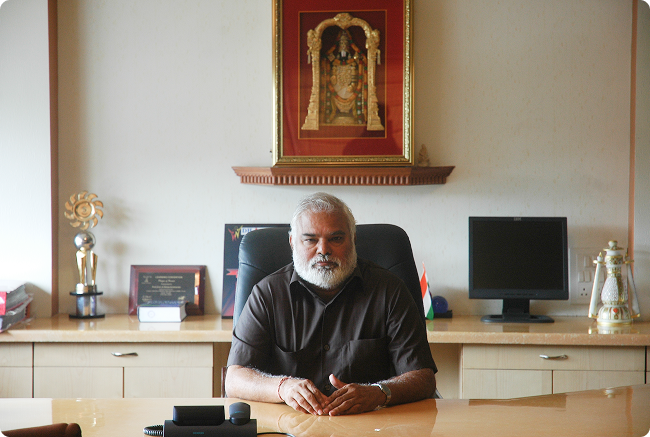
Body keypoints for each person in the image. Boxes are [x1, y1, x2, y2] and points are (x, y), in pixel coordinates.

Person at [225, 192, 437, 416]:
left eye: (336, 239)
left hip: (369, 422)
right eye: (310, 240)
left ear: (353, 239)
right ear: (292, 242)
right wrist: (283, 387)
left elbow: (423, 378)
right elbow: (235, 378)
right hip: (290, 424)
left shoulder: (389, 290)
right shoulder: (267, 294)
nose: (323, 250)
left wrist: (378, 392)